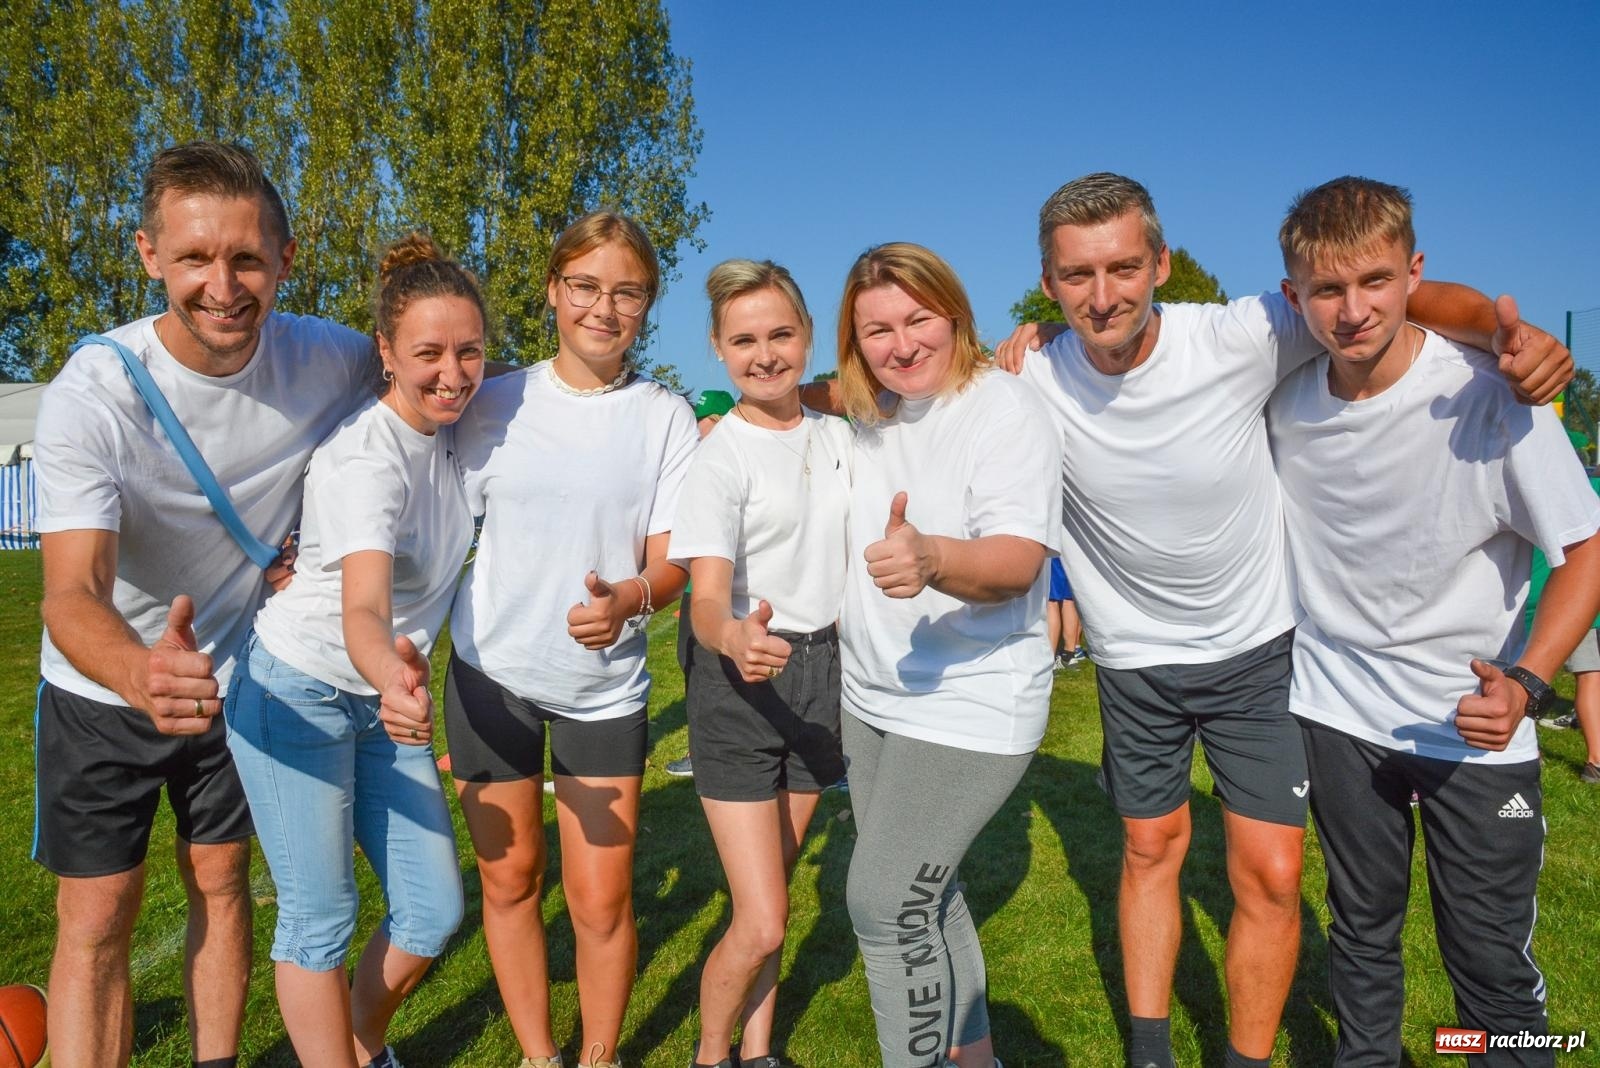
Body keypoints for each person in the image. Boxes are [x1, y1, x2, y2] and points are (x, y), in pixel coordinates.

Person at [995, 172, 1574, 1068]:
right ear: (1047, 280)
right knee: (1286, 907)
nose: (1102, 295)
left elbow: (1392, 295)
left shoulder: (1248, 337)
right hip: (1220, 681)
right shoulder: (1034, 374)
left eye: (1122, 267)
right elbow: (904, 387)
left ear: (1161, 264)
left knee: (1414, 937)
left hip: (1298, 667)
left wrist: (1504, 331)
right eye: (1077, 276)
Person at [31, 141, 372, 1068]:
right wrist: (144, 671)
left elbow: (447, 386)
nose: (222, 286)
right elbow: (70, 593)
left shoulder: (333, 360)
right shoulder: (92, 396)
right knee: (98, 914)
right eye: (193, 258)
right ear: (150, 255)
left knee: (222, 881)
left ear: (286, 259)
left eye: (247, 259)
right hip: (107, 686)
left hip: (241, 675)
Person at [1267, 176, 1600, 1065]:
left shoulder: (1493, 395)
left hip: (1479, 730)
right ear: (1294, 295)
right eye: (1326, 291)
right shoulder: (1285, 399)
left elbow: (1586, 550)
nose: (1352, 310)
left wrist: (1529, 684)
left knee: (1489, 972)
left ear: (1414, 272)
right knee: (1362, 938)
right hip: (1336, 716)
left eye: (1375, 280)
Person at [445, 210, 697, 1068]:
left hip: (604, 689)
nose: (603, 307)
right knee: (511, 882)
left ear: (646, 306)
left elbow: (673, 566)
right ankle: (536, 1055)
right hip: (491, 676)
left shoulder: (663, 418)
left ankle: (597, 1056)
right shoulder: (494, 401)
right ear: (553, 290)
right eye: (585, 286)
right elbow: (422, 515)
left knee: (600, 902)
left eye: (627, 292)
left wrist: (630, 597)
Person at [224, 233, 483, 1068]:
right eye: (429, 354)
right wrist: (392, 676)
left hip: (379, 704)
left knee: (432, 909)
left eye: (470, 351)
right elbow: (364, 608)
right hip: (296, 693)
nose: (453, 373)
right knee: (319, 917)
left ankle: (359, 1044)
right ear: (384, 351)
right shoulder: (366, 462)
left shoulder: (458, 428)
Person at [837, 243, 1062, 1068]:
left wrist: (933, 558)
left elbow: (1017, 560)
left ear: (954, 313)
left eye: (917, 319)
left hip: (970, 700)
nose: (901, 345)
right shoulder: (871, 414)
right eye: (877, 330)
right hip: (872, 698)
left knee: (886, 903)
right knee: (931, 897)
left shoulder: (1004, 409)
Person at [670, 260, 851, 1068]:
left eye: (781, 334)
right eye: (745, 340)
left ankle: (758, 1049)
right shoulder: (718, 456)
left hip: (825, 681)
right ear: (717, 349)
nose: (766, 354)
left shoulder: (842, 437)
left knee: (772, 886)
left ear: (808, 337)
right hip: (740, 684)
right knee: (766, 919)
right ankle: (711, 1057)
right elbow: (705, 599)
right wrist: (733, 635)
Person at [666, 388, 740, 781]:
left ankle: (710, 754)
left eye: (706, 420)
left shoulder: (734, 459)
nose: (698, 429)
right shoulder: (692, 463)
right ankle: (704, 751)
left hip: (726, 591)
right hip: (696, 590)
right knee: (693, 666)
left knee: (716, 673)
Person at [1047, 559, 1086, 668]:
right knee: (1069, 598)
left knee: (1051, 601)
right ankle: (1070, 654)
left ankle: (1050, 661)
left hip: (1054, 551)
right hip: (1070, 551)